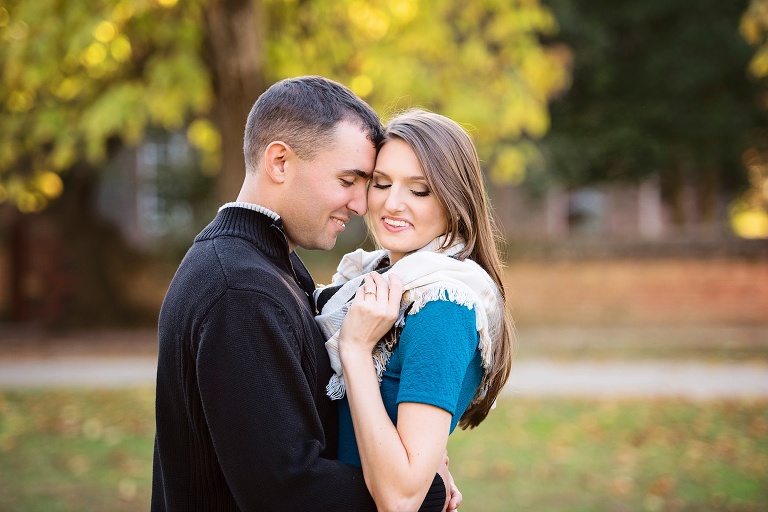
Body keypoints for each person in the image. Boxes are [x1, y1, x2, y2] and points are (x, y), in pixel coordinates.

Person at [151, 77, 459, 511]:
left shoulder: (272, 264)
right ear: (279, 161)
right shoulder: (239, 289)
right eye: (348, 179)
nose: (360, 204)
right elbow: (287, 491)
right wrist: (426, 494)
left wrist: (415, 458)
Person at [314, 109, 515, 512]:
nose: (392, 203)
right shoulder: (374, 278)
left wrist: (354, 350)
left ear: (454, 200)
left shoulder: (441, 305)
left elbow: (401, 498)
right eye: (382, 183)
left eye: (419, 190)